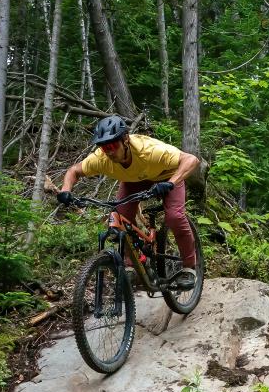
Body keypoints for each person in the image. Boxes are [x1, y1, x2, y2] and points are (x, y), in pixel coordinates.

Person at [57, 116, 201, 289]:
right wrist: (66, 190)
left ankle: (189, 267)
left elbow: (191, 160)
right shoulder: (101, 158)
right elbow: (74, 171)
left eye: (112, 146)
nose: (108, 152)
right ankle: (133, 264)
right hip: (133, 181)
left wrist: (171, 182)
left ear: (125, 139)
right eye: (103, 147)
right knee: (120, 219)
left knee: (174, 217)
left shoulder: (150, 151)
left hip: (166, 175)